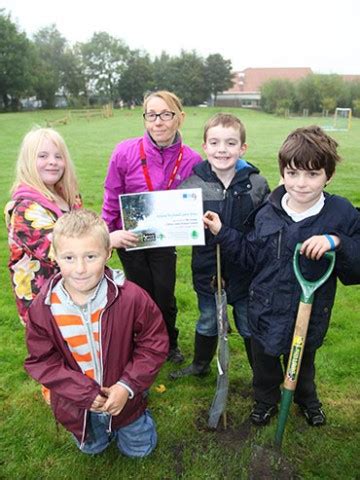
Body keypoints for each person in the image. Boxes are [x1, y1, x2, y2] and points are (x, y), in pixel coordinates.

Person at [203, 125, 360, 427]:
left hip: (309, 311)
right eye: (292, 173)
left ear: (328, 175)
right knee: (264, 366)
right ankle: (265, 400)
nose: (301, 184)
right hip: (265, 309)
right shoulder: (268, 212)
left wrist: (336, 241)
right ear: (283, 173)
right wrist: (222, 232)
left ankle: (307, 399)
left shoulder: (340, 213)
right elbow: (250, 255)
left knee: (302, 364)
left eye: (312, 174)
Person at [24, 209, 169, 457]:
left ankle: (137, 422)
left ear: (108, 253)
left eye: (91, 256)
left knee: (140, 451)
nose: (80, 268)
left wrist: (127, 386)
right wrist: (83, 394)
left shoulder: (131, 298)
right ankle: (95, 436)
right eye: (69, 258)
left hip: (126, 399)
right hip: (78, 404)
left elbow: (153, 344)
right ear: (55, 256)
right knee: (92, 449)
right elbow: (42, 360)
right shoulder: (44, 308)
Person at [102, 90, 202, 364]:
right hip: (130, 239)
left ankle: (169, 342)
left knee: (165, 293)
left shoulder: (192, 159)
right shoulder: (124, 151)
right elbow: (112, 195)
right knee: (138, 294)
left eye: (166, 114)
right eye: (151, 115)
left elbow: (202, 200)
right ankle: (142, 345)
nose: (158, 122)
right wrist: (106, 236)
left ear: (179, 118)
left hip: (164, 240)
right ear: (145, 119)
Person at [170, 113, 270, 379]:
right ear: (205, 147)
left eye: (230, 143)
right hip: (208, 270)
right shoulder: (193, 185)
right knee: (207, 318)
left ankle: (260, 372)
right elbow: (174, 223)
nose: (222, 150)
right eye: (214, 143)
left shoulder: (256, 184)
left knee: (248, 322)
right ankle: (200, 366)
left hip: (246, 271)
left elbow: (266, 225)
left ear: (242, 148)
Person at [5, 127, 81, 325]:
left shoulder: (68, 196)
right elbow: (57, 252)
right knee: (50, 355)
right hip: (42, 303)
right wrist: (106, 242)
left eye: (58, 156)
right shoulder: (25, 208)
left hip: (71, 293)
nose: (52, 162)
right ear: (29, 161)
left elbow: (85, 230)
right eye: (43, 156)